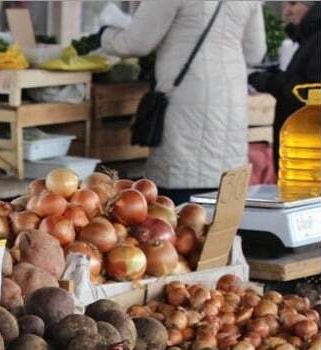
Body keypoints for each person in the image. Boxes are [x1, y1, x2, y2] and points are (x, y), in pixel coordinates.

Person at [99, 1, 267, 204]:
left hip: (186, 96)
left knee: (179, 204)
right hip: (231, 97)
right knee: (221, 201)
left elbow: (136, 43)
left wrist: (105, 35)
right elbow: (255, 52)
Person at [249, 1, 321, 167]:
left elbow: (308, 91)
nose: (286, 12)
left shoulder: (318, 40)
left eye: (293, 3)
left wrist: (266, 80)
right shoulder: (309, 40)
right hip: (302, 149)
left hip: (306, 153)